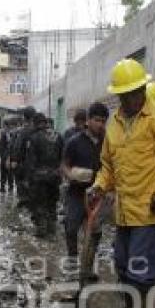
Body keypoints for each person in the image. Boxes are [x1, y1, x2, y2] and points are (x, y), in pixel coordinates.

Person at [86, 58, 155, 308]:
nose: (133, 98)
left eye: (136, 92)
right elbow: (108, 166)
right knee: (122, 263)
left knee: (141, 268)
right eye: (126, 94)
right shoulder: (115, 124)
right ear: (119, 95)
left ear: (143, 88)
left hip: (149, 210)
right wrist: (98, 186)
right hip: (125, 211)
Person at [61, 102, 109, 280]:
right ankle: (73, 263)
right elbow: (64, 165)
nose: (100, 125)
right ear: (88, 121)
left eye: (104, 121)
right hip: (76, 193)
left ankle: (87, 268)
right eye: (97, 120)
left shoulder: (107, 143)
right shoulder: (74, 142)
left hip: (97, 196)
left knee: (95, 233)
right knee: (71, 228)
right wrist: (71, 175)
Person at [23, 113, 63, 238]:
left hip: (39, 177)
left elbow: (31, 161)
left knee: (40, 203)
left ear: (35, 123)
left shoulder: (34, 138)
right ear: (45, 122)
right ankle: (52, 228)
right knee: (52, 202)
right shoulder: (58, 136)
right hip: (55, 176)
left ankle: (41, 229)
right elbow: (63, 157)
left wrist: (29, 179)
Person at [8, 106, 37, 206]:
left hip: (24, 163)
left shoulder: (23, 131)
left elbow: (17, 147)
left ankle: (24, 200)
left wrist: (14, 160)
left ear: (24, 117)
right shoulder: (39, 130)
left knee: (21, 182)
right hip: (37, 164)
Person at [0, 118, 16, 193]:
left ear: (5, 125)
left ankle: (6, 187)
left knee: (6, 172)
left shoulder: (6, 133)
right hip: (7, 155)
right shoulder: (9, 132)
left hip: (6, 155)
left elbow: (4, 145)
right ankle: (6, 187)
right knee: (7, 172)